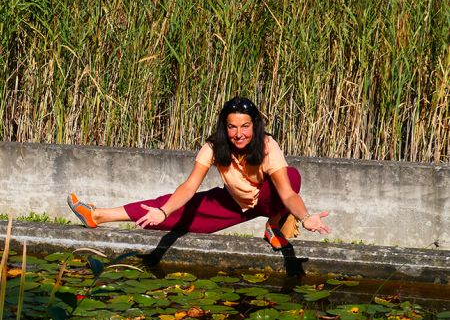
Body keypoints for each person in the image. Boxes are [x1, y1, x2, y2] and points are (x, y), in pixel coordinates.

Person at [68, 96, 330, 250]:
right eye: (232, 127)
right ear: (224, 127)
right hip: (232, 203)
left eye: (245, 126)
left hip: (267, 200)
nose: (239, 134)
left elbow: (287, 193)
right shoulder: (214, 147)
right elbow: (188, 186)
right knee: (170, 208)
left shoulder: (267, 145)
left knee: (291, 176)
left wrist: (305, 217)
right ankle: (98, 215)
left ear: (255, 126)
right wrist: (164, 211)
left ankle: (273, 225)